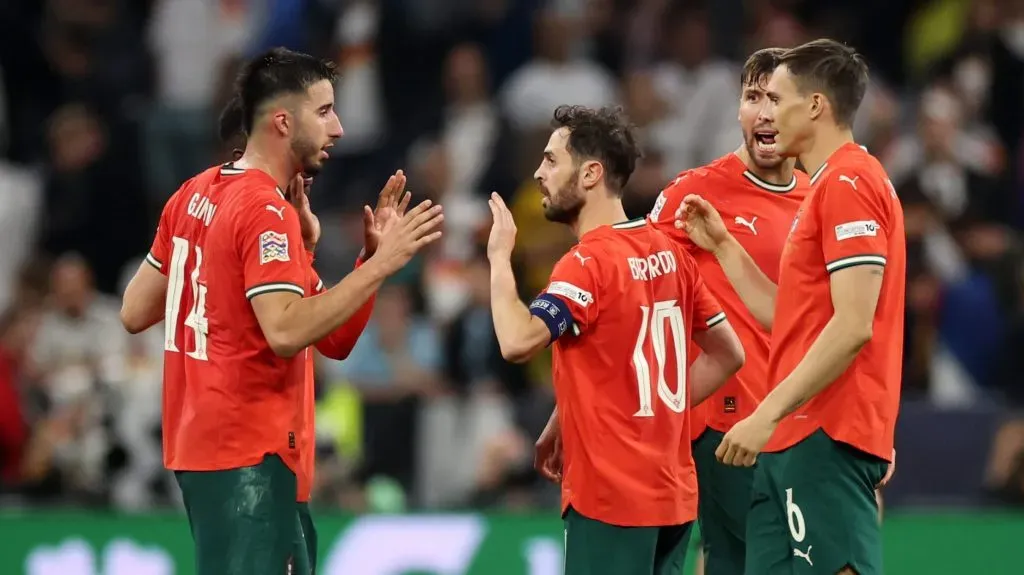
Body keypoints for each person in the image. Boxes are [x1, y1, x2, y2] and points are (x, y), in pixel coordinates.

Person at [119, 48, 444, 575]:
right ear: (282, 121)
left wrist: (353, 259)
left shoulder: (194, 194)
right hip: (250, 454)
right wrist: (382, 265)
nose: (338, 128)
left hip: (205, 450)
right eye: (325, 112)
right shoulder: (265, 211)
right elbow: (287, 331)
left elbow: (135, 310)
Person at [676, 39, 904, 575]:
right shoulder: (824, 187)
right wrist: (725, 247)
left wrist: (766, 413)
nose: (766, 113)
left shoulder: (850, 181)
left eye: (777, 98)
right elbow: (792, 318)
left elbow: (852, 327)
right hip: (792, 437)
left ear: (817, 106)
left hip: (826, 429)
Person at [487, 104, 746, 575]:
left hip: (612, 499)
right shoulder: (670, 253)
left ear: (590, 173)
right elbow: (729, 353)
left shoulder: (588, 263)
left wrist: (501, 258)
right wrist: (579, 417)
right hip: (672, 496)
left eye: (550, 160)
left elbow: (517, 341)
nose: (538, 173)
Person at [647, 47, 808, 575]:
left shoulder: (820, 196)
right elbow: (637, 283)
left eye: (776, 98)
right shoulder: (695, 192)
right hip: (722, 420)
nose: (762, 111)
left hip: (793, 420)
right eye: (751, 97)